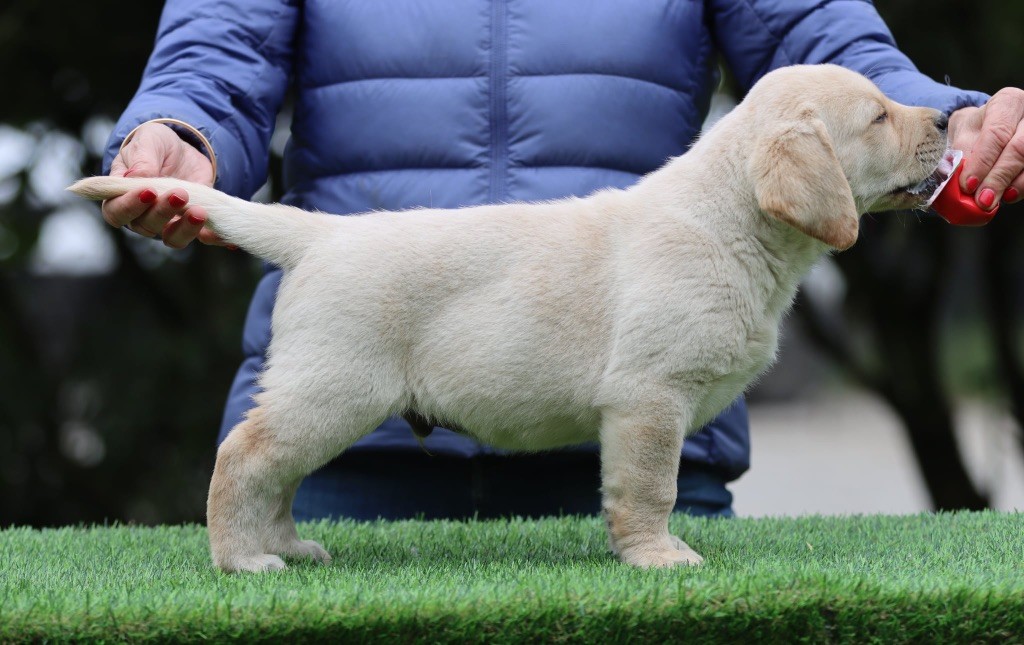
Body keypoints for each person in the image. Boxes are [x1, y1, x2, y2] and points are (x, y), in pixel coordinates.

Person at [99, 0, 1023, 521]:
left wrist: (938, 130)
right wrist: (182, 127)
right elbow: (220, 43)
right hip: (362, 460)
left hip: (642, 454)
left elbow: (819, 44)